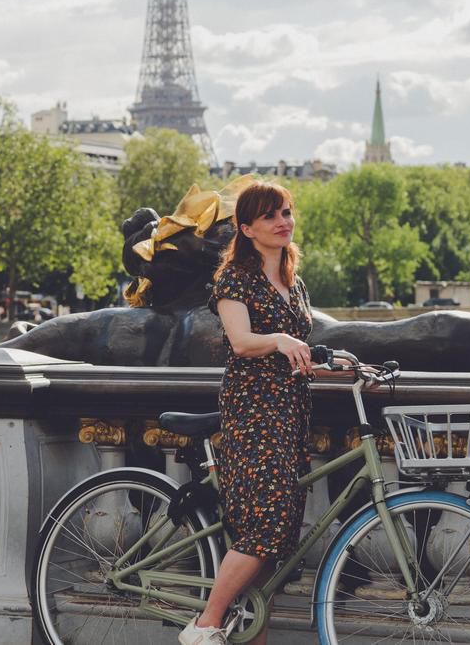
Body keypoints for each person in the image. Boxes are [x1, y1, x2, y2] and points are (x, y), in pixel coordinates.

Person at [180, 181, 312, 645]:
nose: (283, 222)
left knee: (274, 550)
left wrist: (347, 366)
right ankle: (206, 624)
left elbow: (300, 349)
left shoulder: (293, 280)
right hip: (254, 413)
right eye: (271, 215)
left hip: (291, 412)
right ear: (246, 227)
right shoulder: (234, 277)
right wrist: (280, 340)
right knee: (266, 526)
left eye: (287, 212)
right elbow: (241, 341)